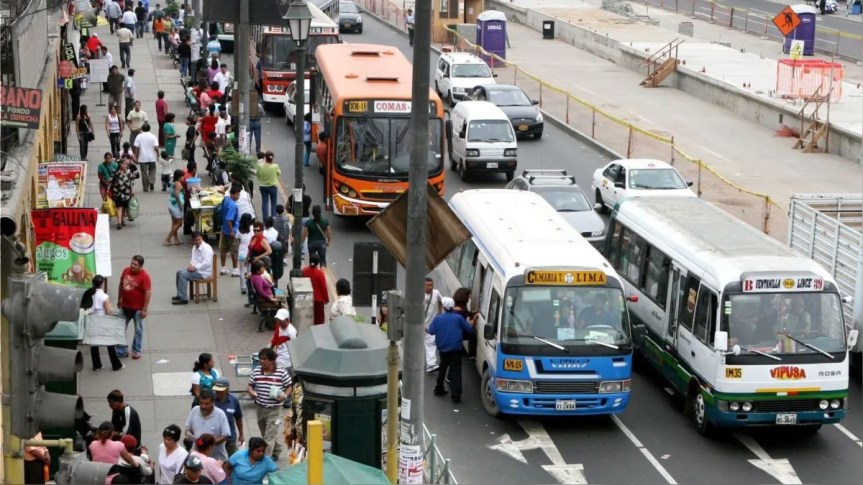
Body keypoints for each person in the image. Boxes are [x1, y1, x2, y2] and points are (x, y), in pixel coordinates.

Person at [428, 297, 477, 404]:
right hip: (456, 349)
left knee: (443, 367)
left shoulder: (438, 318)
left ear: (444, 307)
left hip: (443, 349)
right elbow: (469, 329)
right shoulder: (458, 318)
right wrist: (472, 322)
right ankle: (456, 395)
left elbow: (431, 331)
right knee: (455, 371)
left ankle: (439, 388)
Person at [247, 348, 292, 460]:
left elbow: (289, 386)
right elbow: (250, 385)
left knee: (269, 436)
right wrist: (251, 392)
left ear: (272, 360)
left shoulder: (281, 372)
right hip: (260, 407)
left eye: (264, 359)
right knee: (265, 433)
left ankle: (265, 460)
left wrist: (284, 396)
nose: (261, 361)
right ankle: (277, 450)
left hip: (274, 409)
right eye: (260, 359)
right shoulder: (256, 371)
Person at [81, 275, 124, 372]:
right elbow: (108, 312)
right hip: (102, 321)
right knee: (110, 343)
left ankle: (97, 365)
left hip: (92, 320)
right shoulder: (104, 296)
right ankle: (116, 364)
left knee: (94, 344)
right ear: (102, 284)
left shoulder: (89, 294)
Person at [117, 255, 151, 359]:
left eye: (135, 264)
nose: (132, 266)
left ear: (141, 266)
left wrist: (145, 309)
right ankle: (122, 350)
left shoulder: (145, 276)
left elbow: (148, 293)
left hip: (138, 309)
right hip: (125, 306)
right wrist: (119, 299)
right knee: (120, 328)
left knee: (138, 330)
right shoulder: (125, 271)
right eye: (132, 263)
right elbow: (121, 285)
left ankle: (136, 350)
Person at [184, 388, 231, 461]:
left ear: (213, 402)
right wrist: (190, 436)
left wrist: (209, 444)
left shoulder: (220, 414)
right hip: (198, 459)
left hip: (217, 459)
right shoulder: (194, 410)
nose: (203, 406)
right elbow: (187, 429)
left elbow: (225, 435)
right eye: (201, 403)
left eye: (206, 403)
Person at [173, 232, 213, 305]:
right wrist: (191, 265)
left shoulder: (206, 248)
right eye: (195, 240)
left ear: (202, 238)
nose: (197, 242)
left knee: (183, 274)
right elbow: (193, 259)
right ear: (193, 240)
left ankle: (183, 298)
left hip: (203, 272)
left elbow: (207, 263)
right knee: (179, 272)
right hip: (197, 270)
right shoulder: (194, 247)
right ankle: (180, 294)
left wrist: (195, 267)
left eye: (199, 239)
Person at [213, 378, 244, 457]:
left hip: (230, 437)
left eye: (221, 391)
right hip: (215, 437)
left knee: (231, 459)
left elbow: (238, 418)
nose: (218, 393)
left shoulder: (234, 400)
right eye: (217, 390)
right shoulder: (211, 399)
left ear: (227, 389)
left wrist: (241, 434)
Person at [219, 185, 241, 276]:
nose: (238, 197)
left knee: (223, 250)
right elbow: (229, 219)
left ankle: (223, 268)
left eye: (239, 195)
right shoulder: (233, 205)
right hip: (232, 231)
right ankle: (235, 269)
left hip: (224, 229)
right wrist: (232, 231)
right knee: (234, 251)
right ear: (232, 194)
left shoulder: (226, 199)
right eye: (236, 195)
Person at [110, 157, 139, 229]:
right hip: (118, 192)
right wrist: (108, 190)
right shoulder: (115, 172)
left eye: (125, 164)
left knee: (124, 207)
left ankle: (122, 220)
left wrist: (132, 190)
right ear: (119, 164)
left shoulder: (128, 172)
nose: (124, 165)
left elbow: (132, 181)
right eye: (122, 164)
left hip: (127, 193)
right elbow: (111, 182)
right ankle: (119, 222)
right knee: (119, 207)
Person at [423, 277, 443, 372]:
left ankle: (431, 364)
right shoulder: (418, 295)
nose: (430, 287)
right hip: (418, 324)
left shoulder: (436, 293)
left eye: (431, 285)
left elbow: (441, 301)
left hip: (430, 324)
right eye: (428, 285)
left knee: (430, 342)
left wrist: (439, 312)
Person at [302, 255, 329, 325]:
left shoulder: (304, 271)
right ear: (318, 263)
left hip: (307, 299)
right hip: (318, 301)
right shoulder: (320, 273)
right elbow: (324, 288)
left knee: (307, 319)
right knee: (318, 321)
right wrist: (326, 299)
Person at [271, 308, 298, 378]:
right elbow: (275, 338)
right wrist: (270, 350)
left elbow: (295, 347)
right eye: (277, 320)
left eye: (280, 320)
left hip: (287, 362)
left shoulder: (291, 331)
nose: (278, 322)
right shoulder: (278, 326)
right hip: (278, 359)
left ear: (287, 320)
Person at [134, 122, 159, 192]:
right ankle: (151, 181)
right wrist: (158, 154)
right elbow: (156, 147)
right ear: (149, 128)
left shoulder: (139, 136)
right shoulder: (153, 136)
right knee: (152, 170)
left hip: (142, 157)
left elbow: (136, 147)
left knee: (144, 172)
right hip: (152, 157)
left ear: (142, 128)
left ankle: (145, 187)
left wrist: (136, 156)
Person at [163, 169, 186, 245]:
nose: (183, 178)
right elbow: (176, 194)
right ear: (179, 177)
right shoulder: (178, 184)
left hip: (171, 204)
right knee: (179, 223)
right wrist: (180, 204)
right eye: (182, 176)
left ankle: (176, 240)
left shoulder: (173, 182)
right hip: (176, 206)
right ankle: (167, 239)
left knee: (174, 223)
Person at [256, 151, 281, 220]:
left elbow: (257, 174)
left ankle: (265, 219)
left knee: (265, 202)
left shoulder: (260, 166)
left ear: (265, 158)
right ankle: (274, 218)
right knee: (274, 203)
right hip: (273, 186)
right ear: (272, 158)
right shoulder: (275, 166)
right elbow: (279, 173)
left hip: (263, 186)